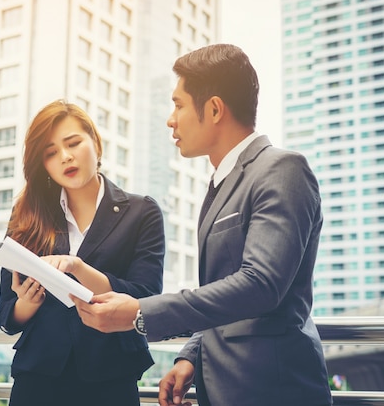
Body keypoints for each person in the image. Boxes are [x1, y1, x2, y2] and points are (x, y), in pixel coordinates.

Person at [71, 44, 333, 406]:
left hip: (275, 392)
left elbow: (260, 286)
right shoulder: (220, 184)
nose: (170, 119)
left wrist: (140, 312)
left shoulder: (282, 169)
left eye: (178, 105)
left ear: (213, 109)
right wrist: (191, 356)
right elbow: (222, 294)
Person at [0, 99, 165, 406]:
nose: (65, 156)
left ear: (95, 143)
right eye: (50, 153)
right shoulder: (28, 216)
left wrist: (78, 269)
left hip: (110, 377)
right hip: (38, 380)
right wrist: (26, 304)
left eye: (73, 143)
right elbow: (5, 317)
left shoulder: (141, 211)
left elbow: (146, 297)